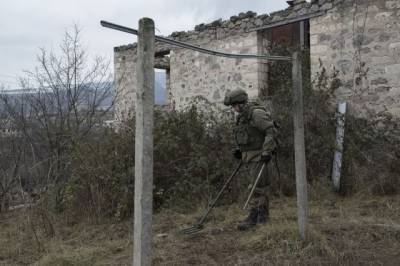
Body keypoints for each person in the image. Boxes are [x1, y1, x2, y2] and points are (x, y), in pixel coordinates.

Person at [224, 88, 276, 231]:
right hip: (249, 157)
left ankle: (258, 218)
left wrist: (267, 151)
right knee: (256, 187)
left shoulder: (256, 113)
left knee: (257, 187)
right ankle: (259, 217)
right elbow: (247, 136)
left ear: (241, 102)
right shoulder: (243, 116)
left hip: (259, 156)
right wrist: (240, 151)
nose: (234, 109)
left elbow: (270, 131)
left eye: (234, 105)